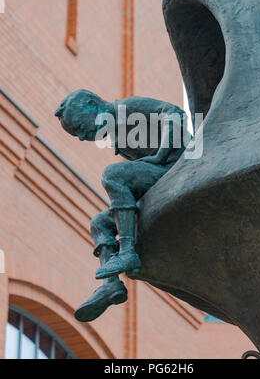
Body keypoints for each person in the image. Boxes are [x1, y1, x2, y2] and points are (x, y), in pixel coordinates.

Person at [55, 89, 189, 321]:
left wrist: (160, 155)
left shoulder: (127, 108)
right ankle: (111, 286)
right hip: (157, 181)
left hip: (179, 168)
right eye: (76, 133)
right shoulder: (116, 137)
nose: (81, 136)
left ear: (91, 104)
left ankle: (127, 252)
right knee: (99, 223)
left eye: (79, 127)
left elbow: (174, 114)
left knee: (113, 175)